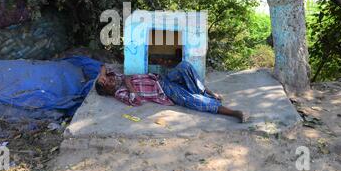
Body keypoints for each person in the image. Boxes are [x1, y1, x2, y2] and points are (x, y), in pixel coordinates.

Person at [95, 60, 249, 123]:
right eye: (107, 82)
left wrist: (102, 75)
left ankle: (206, 91)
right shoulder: (118, 92)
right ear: (108, 90)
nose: (109, 79)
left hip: (162, 79)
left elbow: (103, 66)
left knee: (184, 66)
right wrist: (129, 83)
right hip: (164, 91)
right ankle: (234, 113)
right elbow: (136, 101)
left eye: (107, 78)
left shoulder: (116, 77)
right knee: (193, 100)